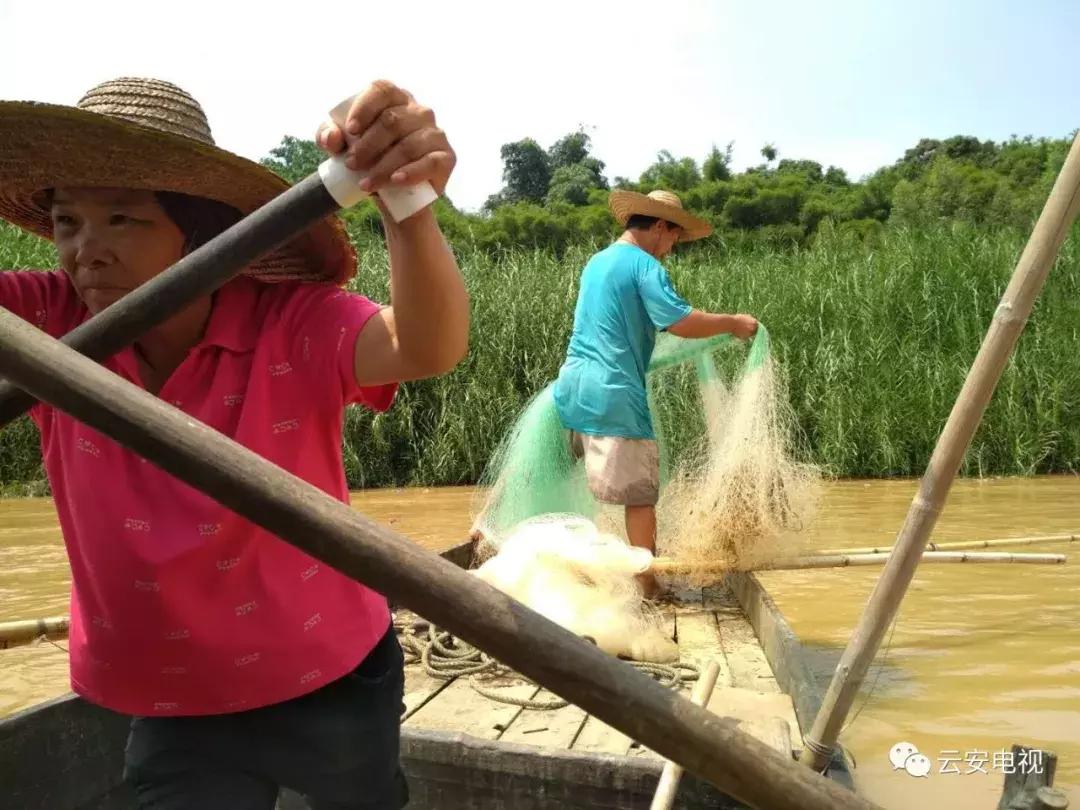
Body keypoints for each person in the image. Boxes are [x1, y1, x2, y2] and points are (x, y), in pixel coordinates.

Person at [0, 76, 468, 809]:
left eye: (121, 219)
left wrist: (405, 203)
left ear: (200, 234)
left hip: (330, 674)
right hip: (175, 696)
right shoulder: (44, 323)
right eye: (67, 222)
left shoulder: (290, 322)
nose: (85, 251)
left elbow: (425, 345)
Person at [552, 189, 758, 597]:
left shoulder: (597, 262)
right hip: (615, 391)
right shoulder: (643, 264)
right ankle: (646, 584)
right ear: (661, 227)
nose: (671, 250)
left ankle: (566, 565)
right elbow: (679, 321)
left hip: (572, 386)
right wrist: (733, 322)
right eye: (674, 240)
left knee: (572, 479)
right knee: (641, 496)